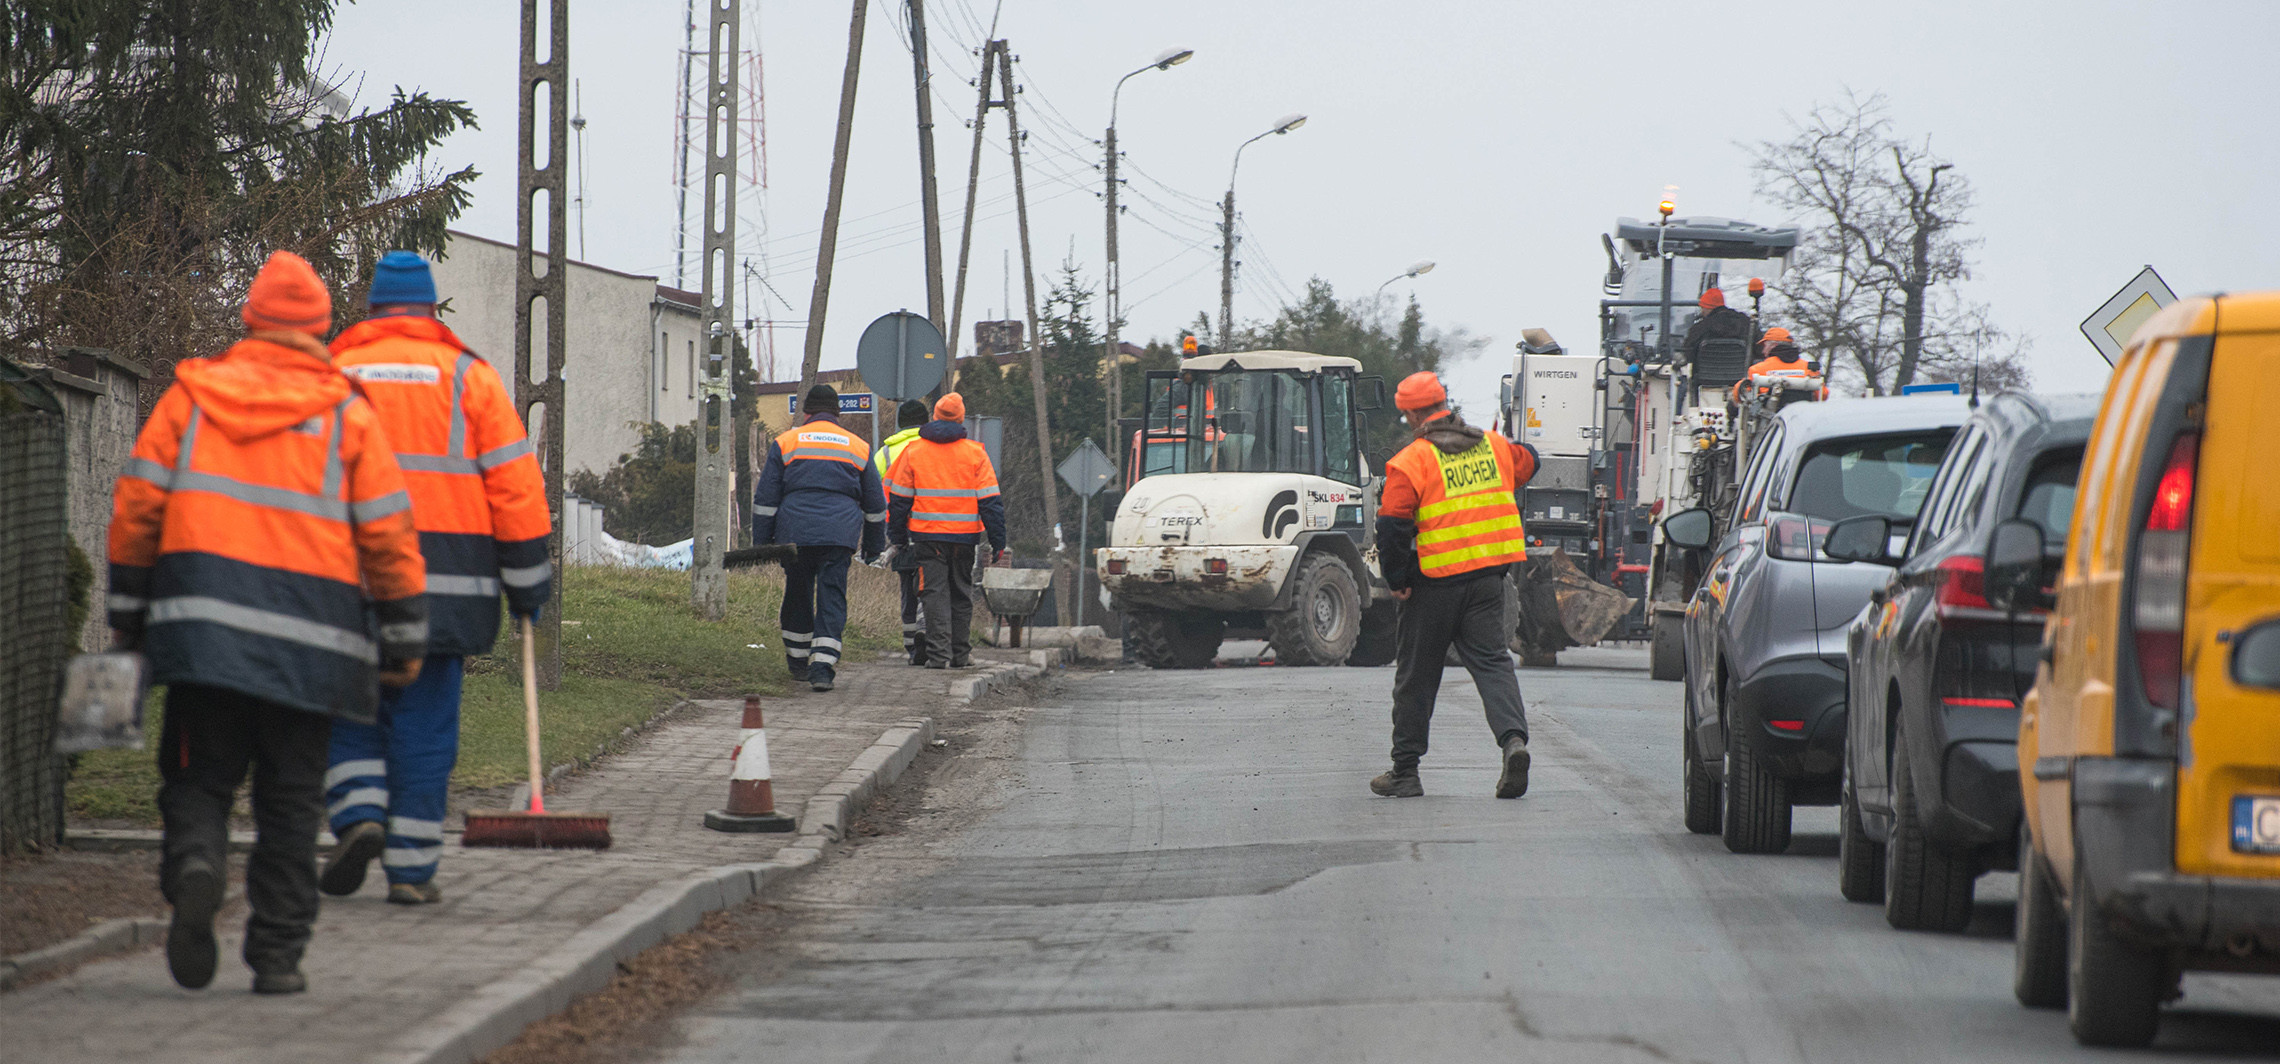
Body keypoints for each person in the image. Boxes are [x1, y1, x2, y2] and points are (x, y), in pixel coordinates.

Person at [107, 251, 427, 994]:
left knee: (197, 779)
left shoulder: (190, 399)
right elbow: (387, 537)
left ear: (251, 318)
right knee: (291, 805)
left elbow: (136, 509)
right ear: (320, 329)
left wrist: (129, 612)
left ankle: (195, 865)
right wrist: (403, 639)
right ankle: (278, 957)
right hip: (310, 652)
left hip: (201, 637)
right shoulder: (347, 416)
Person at [318, 251, 553, 905]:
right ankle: (412, 869)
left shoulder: (333, 371)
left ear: (370, 308)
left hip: (348, 582)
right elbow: (514, 488)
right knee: (424, 726)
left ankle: (359, 815)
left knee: (348, 712)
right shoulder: (469, 378)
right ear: (428, 308)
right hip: (443, 592)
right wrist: (529, 581)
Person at [1369, 371, 1538, 800]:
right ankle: (1513, 741)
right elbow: (1529, 461)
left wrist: (1397, 580)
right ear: (1445, 402)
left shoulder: (1411, 461)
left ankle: (1405, 773)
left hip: (1434, 585)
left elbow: (1391, 524)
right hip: (1487, 581)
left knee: (1417, 676)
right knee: (1492, 663)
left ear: (1410, 413)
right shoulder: (1495, 447)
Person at [754, 384, 885, 691]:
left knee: (798, 590)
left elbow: (766, 499)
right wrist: (872, 548)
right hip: (839, 535)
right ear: (837, 413)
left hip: (795, 532)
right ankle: (823, 667)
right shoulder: (858, 446)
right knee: (831, 595)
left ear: (807, 412)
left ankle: (798, 661)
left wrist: (763, 542)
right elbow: (876, 506)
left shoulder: (786, 442)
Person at [887, 392, 1006, 670]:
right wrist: (998, 540)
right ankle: (960, 656)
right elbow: (991, 503)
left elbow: (899, 500)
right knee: (961, 594)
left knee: (934, 593)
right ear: (961, 418)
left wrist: (898, 537)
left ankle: (938, 657)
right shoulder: (976, 453)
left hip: (928, 537)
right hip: (965, 538)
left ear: (935, 417)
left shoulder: (913, 451)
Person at [873, 398, 932, 665]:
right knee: (932, 583)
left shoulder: (885, 454)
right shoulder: (932, 448)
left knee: (907, 587)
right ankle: (926, 630)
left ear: (899, 423)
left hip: (898, 529)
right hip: (932, 527)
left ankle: (911, 647)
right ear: (927, 421)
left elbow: (873, 495)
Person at [1680, 287, 1756, 367]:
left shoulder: (1700, 328)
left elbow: (1687, 354)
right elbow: (1759, 349)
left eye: (1703, 308)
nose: (1702, 312)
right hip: (1741, 377)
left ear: (1708, 307)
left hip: (1704, 377)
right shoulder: (1746, 323)